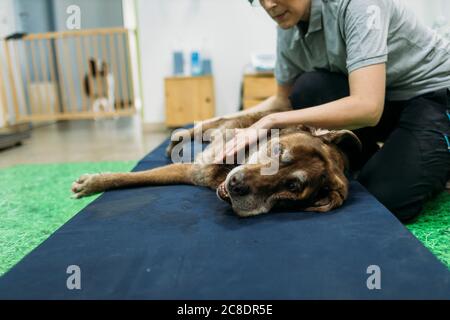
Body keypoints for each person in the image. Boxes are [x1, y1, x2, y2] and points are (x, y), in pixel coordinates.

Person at [213, 0, 450, 222]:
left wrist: (270, 121)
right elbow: (281, 100)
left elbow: (368, 108)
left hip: (434, 96)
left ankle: (433, 158)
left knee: (384, 199)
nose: (269, 5)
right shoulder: (289, 23)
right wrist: (212, 123)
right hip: (384, 97)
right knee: (309, 88)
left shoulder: (357, 4)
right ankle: (380, 157)